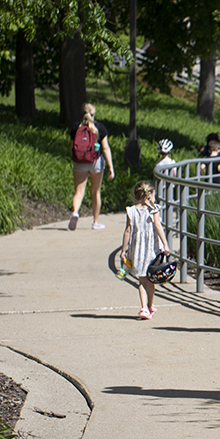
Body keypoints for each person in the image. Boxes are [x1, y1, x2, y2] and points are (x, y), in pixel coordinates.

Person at [121, 181, 170, 320]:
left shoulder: (131, 210)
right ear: (150, 195)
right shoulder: (154, 209)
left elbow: (127, 231)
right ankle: (150, 305)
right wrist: (165, 244)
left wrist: (123, 250)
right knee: (151, 279)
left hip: (137, 249)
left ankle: (143, 308)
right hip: (151, 250)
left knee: (142, 280)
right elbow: (158, 226)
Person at [69, 103, 115, 231]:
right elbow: (105, 148)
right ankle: (95, 222)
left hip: (79, 161)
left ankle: (75, 212)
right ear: (93, 114)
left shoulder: (75, 127)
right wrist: (111, 166)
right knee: (95, 192)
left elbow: (72, 146)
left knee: (79, 191)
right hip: (96, 162)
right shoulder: (99, 128)